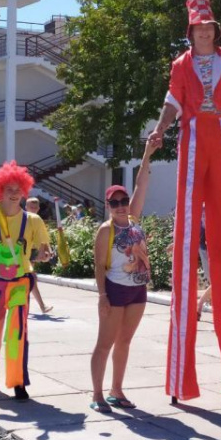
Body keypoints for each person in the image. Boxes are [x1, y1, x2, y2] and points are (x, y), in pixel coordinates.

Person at [149, 0, 221, 403]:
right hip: (195, 136)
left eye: (208, 28)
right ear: (191, 32)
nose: (203, 33)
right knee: (185, 239)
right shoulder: (181, 64)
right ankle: (182, 381)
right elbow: (172, 101)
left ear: (214, 31)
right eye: (197, 29)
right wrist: (161, 129)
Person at [0, 162, 50, 401]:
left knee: (17, 334)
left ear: (24, 191)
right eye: (8, 189)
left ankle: (18, 382)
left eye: (18, 189)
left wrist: (43, 255)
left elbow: (42, 251)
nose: (14, 193)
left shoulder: (33, 221)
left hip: (20, 285)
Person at [89, 139, 157, 413]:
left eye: (123, 201)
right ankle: (97, 394)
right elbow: (98, 266)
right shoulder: (105, 230)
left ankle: (116, 390)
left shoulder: (135, 220)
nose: (120, 206)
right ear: (107, 205)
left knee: (125, 342)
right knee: (104, 343)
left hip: (138, 290)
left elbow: (142, 184)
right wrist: (102, 296)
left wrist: (147, 154)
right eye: (115, 202)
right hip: (115, 290)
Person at [25, 197, 54, 314]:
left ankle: (27, 307)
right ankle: (40, 306)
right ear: (26, 207)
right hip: (22, 252)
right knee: (31, 278)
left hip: (33, 251)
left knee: (30, 279)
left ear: (38, 208)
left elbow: (44, 238)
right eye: (31, 207)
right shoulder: (22, 219)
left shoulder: (37, 220)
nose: (33, 209)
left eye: (35, 207)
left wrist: (49, 250)